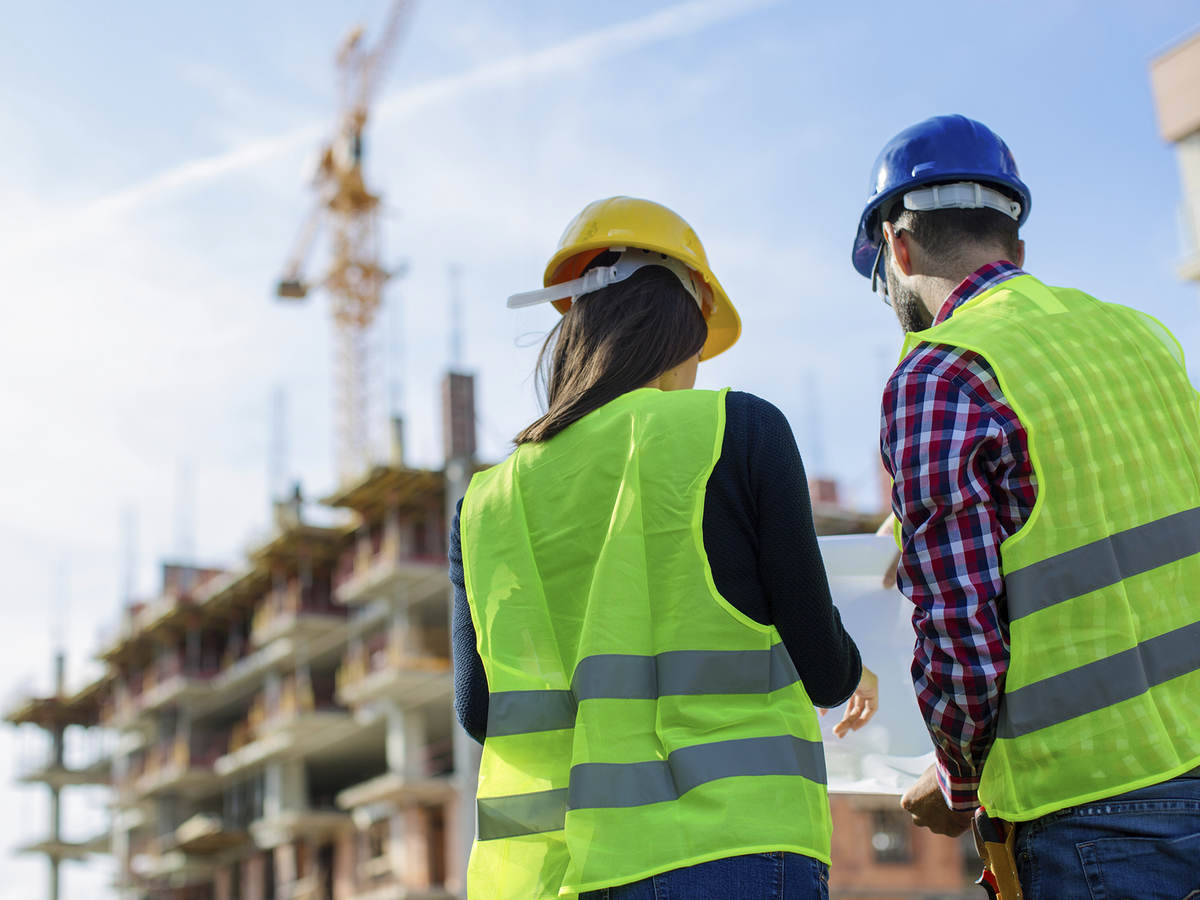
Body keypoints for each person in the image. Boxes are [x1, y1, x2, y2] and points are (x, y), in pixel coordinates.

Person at [449, 196, 878, 900]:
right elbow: (822, 663)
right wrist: (856, 672)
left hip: (561, 874)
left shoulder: (485, 503)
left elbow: (481, 711)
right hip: (732, 848)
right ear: (683, 324)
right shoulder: (737, 430)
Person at [854, 114, 1200, 898]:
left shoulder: (939, 375)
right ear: (1017, 243)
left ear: (897, 250)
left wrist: (954, 782)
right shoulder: (1141, 336)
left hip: (1094, 815)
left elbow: (963, 647)